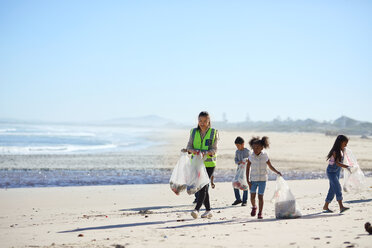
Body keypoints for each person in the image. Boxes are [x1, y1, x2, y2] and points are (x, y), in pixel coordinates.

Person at [187, 111, 218, 219]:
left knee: (203, 185)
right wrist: (195, 151)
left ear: (209, 121)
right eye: (200, 121)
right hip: (196, 163)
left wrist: (206, 152)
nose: (202, 123)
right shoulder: (193, 132)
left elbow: (214, 149)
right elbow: (189, 147)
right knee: (202, 187)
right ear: (197, 121)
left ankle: (197, 209)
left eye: (205, 121)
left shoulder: (214, 132)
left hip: (209, 164)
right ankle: (208, 211)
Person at [246, 136, 281, 219]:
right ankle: (254, 206)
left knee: (260, 197)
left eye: (257, 147)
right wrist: (248, 181)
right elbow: (247, 169)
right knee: (252, 196)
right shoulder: (251, 156)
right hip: (253, 180)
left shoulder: (265, 156)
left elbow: (270, 166)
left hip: (263, 180)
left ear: (262, 147)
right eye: (253, 147)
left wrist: (277, 172)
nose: (255, 149)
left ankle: (260, 213)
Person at [323, 134, 351, 213]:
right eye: (345, 144)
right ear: (340, 142)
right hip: (331, 172)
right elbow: (338, 163)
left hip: (337, 171)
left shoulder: (342, 150)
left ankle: (325, 206)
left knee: (332, 189)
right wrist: (347, 167)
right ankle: (341, 207)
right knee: (338, 188)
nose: (346, 145)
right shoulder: (335, 151)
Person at [232, 136, 250, 206]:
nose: (237, 147)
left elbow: (250, 160)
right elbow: (235, 160)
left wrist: (246, 161)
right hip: (239, 169)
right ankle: (238, 199)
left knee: (245, 184)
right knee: (235, 183)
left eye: (238, 145)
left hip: (245, 171)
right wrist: (238, 162)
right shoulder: (237, 151)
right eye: (236, 146)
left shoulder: (247, 151)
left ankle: (244, 201)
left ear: (243, 144)